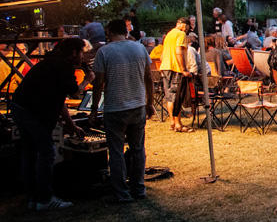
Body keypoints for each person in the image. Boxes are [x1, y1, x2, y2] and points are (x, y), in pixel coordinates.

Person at [10, 38, 89, 210]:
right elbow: (73, 91)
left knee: (29, 152)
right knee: (46, 152)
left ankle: (32, 197)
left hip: (20, 107)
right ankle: (45, 199)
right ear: (74, 52)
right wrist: (87, 79)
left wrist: (71, 125)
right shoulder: (63, 66)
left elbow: (58, 98)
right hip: (32, 112)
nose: (83, 56)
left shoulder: (50, 63)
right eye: (81, 52)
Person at [89, 19, 154, 203]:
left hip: (115, 107)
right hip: (138, 105)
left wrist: (94, 109)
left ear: (109, 32)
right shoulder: (139, 48)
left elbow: (98, 84)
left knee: (116, 151)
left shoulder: (104, 52)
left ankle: (122, 193)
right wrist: (149, 102)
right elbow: (148, 77)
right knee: (138, 148)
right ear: (125, 31)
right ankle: (138, 188)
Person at [159, 17, 193, 133]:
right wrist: (183, 69)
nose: (187, 29)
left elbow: (162, 54)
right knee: (176, 97)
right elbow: (179, 52)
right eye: (187, 27)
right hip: (175, 68)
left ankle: (172, 122)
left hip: (165, 67)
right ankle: (178, 124)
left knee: (169, 96)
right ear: (183, 25)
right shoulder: (181, 34)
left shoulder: (169, 34)